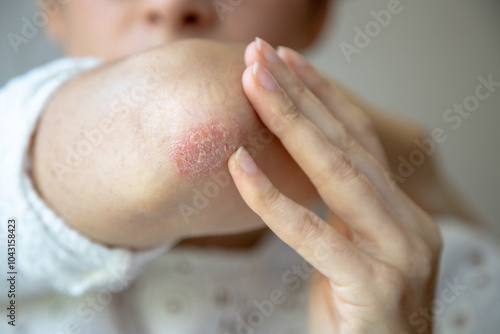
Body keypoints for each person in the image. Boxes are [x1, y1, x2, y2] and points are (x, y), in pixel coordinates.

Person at [0, 0, 498, 333]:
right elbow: (192, 109)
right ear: (52, 8)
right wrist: (408, 152)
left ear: (316, 13)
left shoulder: (458, 278)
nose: (173, 7)